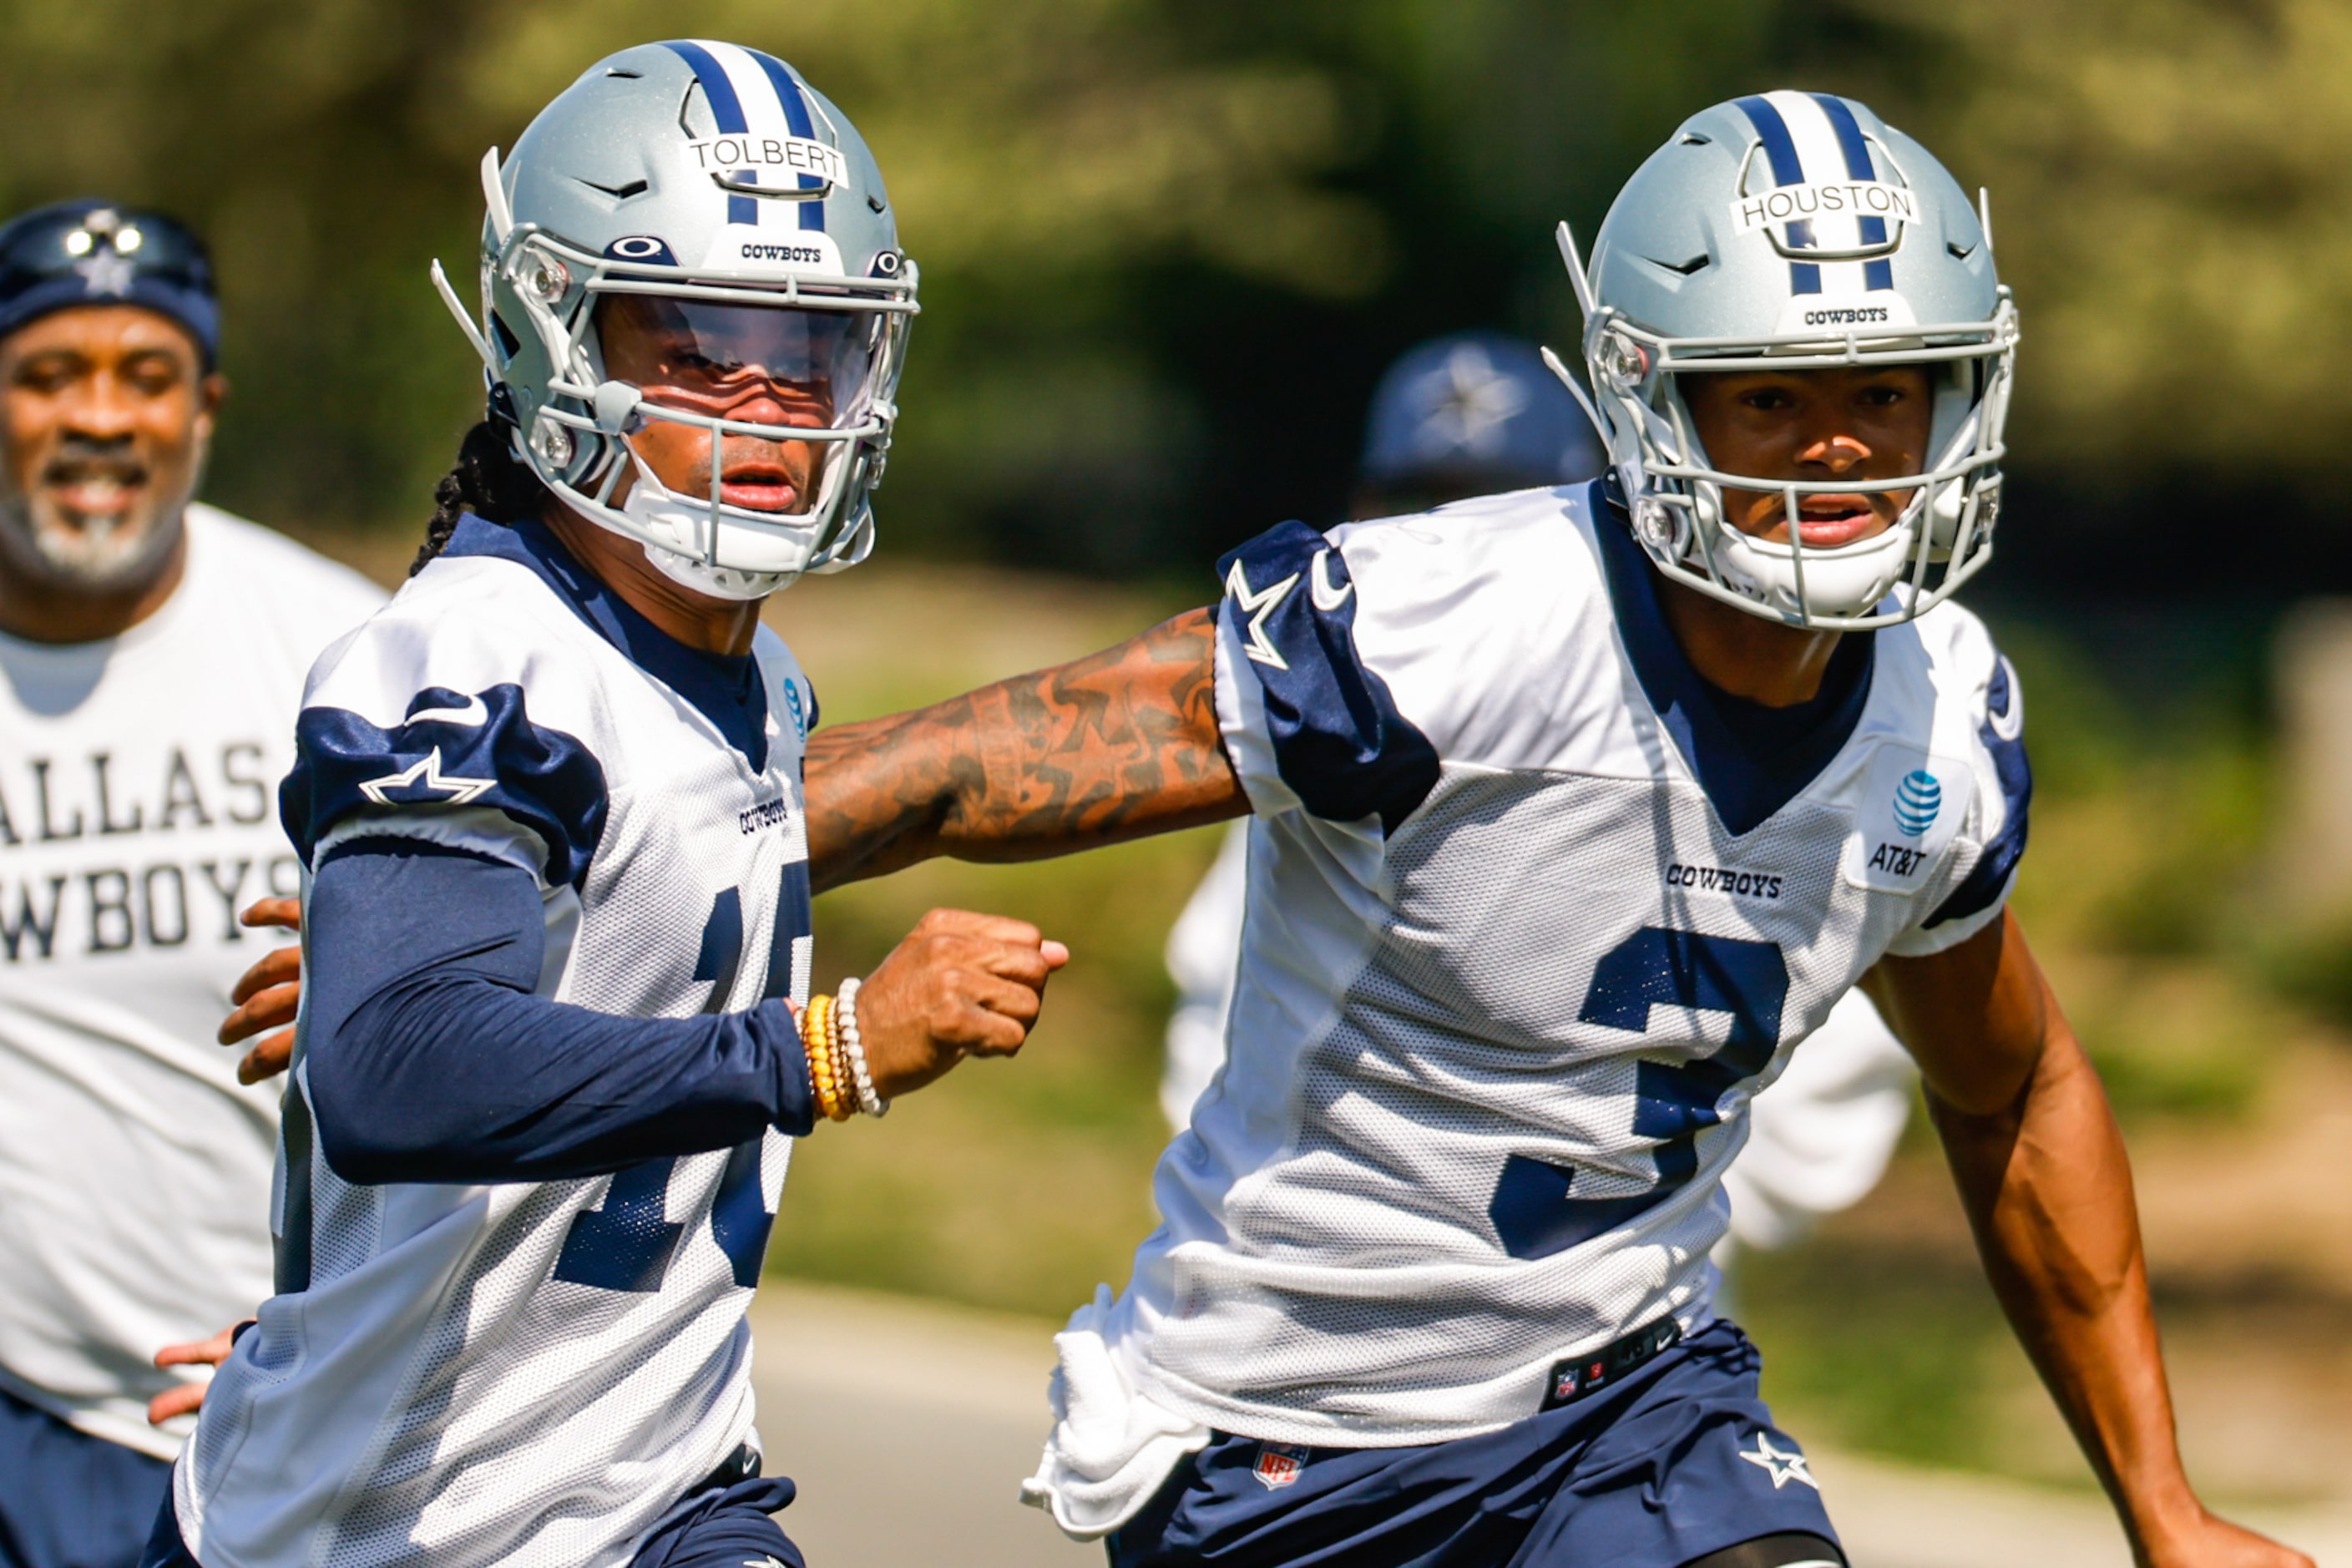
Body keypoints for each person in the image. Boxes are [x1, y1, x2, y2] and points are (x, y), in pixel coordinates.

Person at [787, 93, 2305, 1565]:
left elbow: (2014, 1086)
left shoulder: (1943, 714)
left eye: (1883, 390)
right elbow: (971, 764)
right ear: (1652, 396)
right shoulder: (1454, 624)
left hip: (1633, 1407)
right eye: (1772, 395)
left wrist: (2161, 1508)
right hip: (1289, 1432)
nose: (1840, 448)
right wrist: (658, 847)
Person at [150, 42, 1064, 1568]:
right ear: (548, 335)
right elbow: (392, 1076)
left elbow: (537, 953)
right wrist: (828, 1045)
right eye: (701, 339)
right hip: (381, 1526)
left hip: (654, 1499)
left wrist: (450, 957)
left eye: (814, 340)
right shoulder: (471, 656)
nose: (772, 397)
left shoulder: (756, 681)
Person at [1161, 331, 1918, 1287]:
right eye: (1416, 504)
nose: (1452, 539)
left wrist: (1686, 1200)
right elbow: (1216, 1013)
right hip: (1334, 1301)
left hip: (1629, 1327)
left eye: (1499, 507)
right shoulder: (1336, 733)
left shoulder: (1717, 744)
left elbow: (1834, 1053)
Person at [0, 199, 384, 1568]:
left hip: (276, 1408)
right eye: (49, 374)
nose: (100, 416)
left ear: (203, 408)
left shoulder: (342, 653)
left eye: (145, 376)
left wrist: (336, 1338)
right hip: (20, 1417)